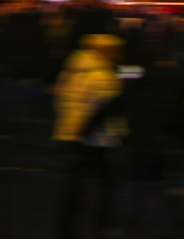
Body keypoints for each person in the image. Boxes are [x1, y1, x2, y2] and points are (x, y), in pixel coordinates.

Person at [53, 33, 125, 239]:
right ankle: (103, 223)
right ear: (103, 51)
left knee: (74, 183)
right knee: (108, 182)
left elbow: (59, 98)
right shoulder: (105, 75)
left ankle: (65, 224)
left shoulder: (71, 70)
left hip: (68, 134)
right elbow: (109, 109)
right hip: (100, 139)